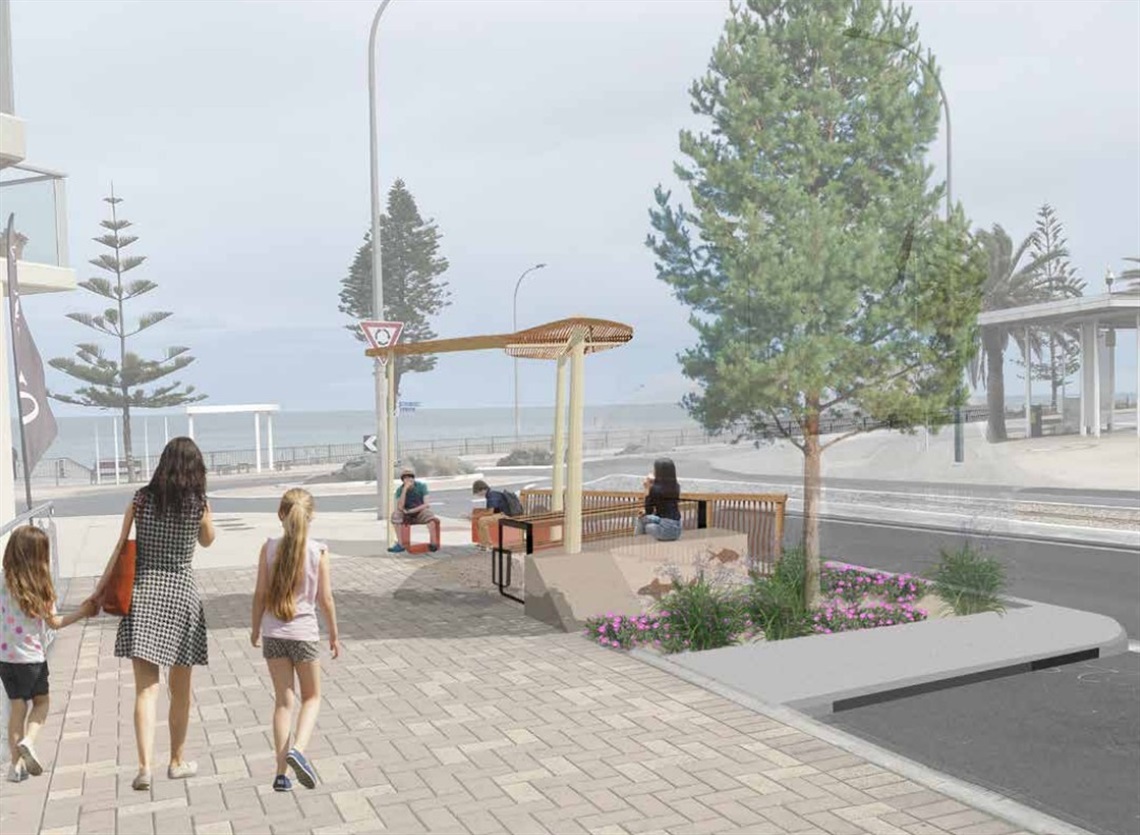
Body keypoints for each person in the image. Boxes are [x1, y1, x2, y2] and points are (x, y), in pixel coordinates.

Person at [88, 437, 216, 791]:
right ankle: (176, 761)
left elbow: (120, 547)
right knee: (181, 691)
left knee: (146, 691)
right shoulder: (199, 504)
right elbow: (208, 540)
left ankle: (144, 767)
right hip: (181, 599)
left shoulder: (140, 500)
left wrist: (99, 591)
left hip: (143, 596)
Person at [250, 488, 340, 793]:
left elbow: (260, 594)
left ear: (280, 515)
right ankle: (298, 749)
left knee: (283, 702)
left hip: (273, 633)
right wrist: (334, 634)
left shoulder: (268, 548)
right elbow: (325, 599)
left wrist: (254, 628)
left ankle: (280, 774)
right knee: (312, 697)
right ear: (311, 517)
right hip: (304, 634)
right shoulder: (318, 551)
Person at [1, 527, 95, 783]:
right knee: (41, 703)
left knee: (17, 708)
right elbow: (54, 623)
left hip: (6, 659)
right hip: (31, 659)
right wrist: (83, 612)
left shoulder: (2, 580)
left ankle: (15, 767)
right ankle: (29, 741)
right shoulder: (41, 586)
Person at [388, 468, 439, 553]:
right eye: (406, 478)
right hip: (406, 513)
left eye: (410, 477)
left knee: (431, 518)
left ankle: (433, 544)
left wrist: (413, 510)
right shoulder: (400, 490)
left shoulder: (421, 486)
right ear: (403, 480)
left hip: (419, 512)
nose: (408, 479)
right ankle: (400, 544)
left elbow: (426, 504)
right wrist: (405, 490)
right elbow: (400, 507)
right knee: (395, 516)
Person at [636, 458, 682, 542]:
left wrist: (647, 489)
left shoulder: (655, 489)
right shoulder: (676, 486)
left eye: (655, 469)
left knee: (643, 522)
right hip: (677, 529)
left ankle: (636, 544)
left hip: (665, 531)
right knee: (645, 519)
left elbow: (649, 510)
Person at [471, 479, 511, 550]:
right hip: (501, 513)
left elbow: (490, 512)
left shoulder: (492, 496)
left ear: (483, 489)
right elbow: (490, 511)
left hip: (505, 515)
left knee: (483, 520)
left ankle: (488, 545)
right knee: (480, 519)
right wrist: (476, 515)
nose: (478, 495)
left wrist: (475, 516)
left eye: (478, 492)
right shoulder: (491, 494)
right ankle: (483, 543)